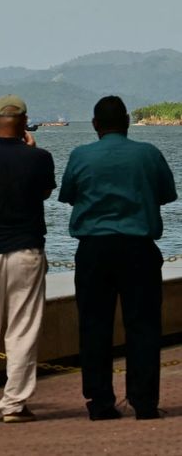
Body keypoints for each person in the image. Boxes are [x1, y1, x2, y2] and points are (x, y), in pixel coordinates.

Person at [59, 96, 177, 421]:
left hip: (94, 250)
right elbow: (167, 194)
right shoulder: (148, 154)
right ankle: (144, 403)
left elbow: (67, 194)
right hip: (139, 248)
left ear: (95, 124)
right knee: (144, 326)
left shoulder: (80, 155)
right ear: (126, 121)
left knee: (94, 326)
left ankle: (100, 403)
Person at [0, 95, 56, 423]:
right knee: (23, 329)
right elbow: (43, 193)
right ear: (24, 121)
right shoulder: (40, 158)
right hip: (26, 250)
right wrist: (30, 151)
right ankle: (14, 404)